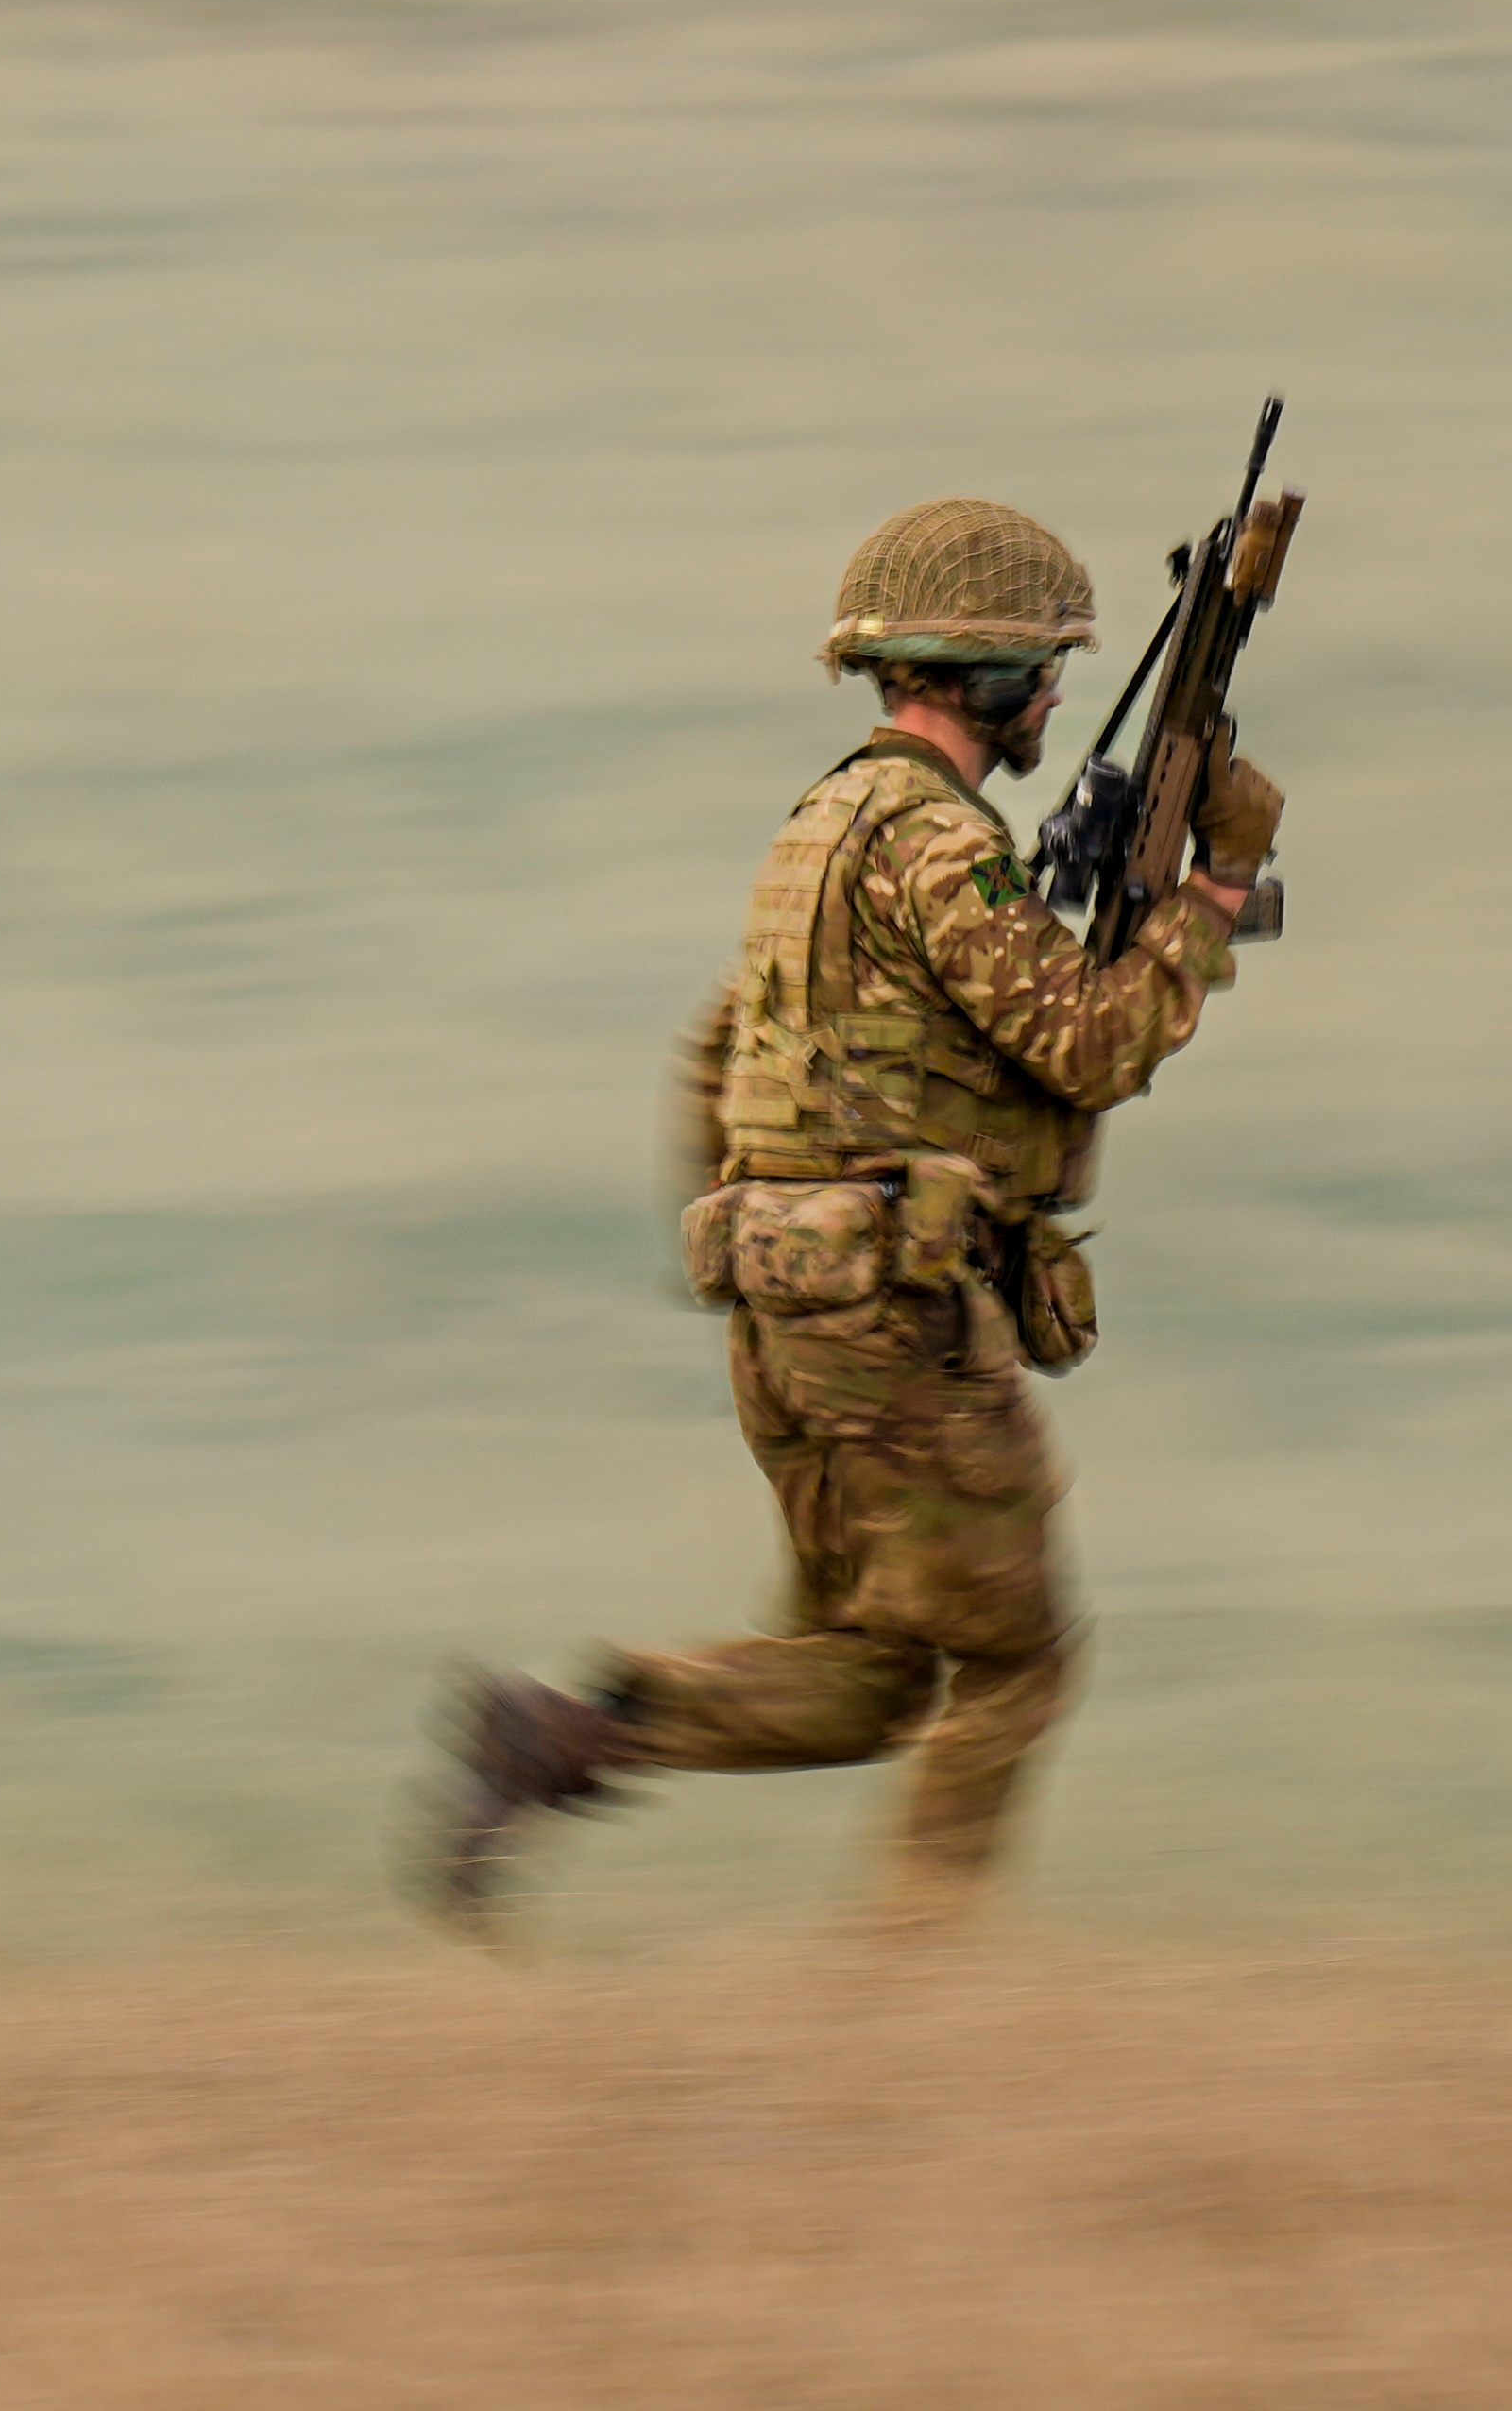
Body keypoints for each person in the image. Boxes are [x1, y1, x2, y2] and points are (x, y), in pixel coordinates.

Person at [426, 496, 1270, 1935]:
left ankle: (571, 1729)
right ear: (986, 678)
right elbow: (1087, 1047)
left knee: (875, 1668)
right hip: (887, 1319)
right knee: (1018, 1666)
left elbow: (720, 1050)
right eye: (1045, 667)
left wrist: (768, 1256)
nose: (1060, 692)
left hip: (792, 1307)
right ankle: (908, 2011)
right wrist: (1213, 893)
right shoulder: (940, 842)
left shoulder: (815, 828)